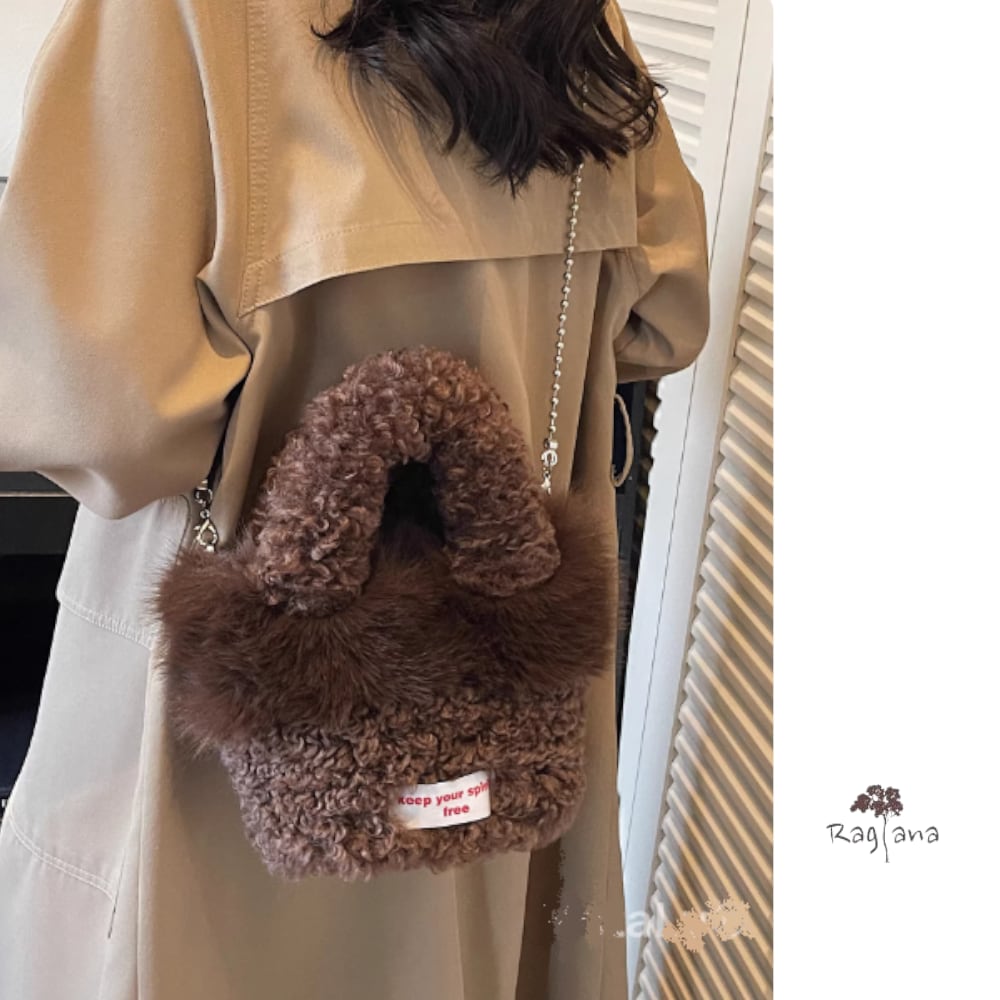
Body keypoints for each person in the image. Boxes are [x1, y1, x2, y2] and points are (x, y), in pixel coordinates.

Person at [0, 0, 710, 996]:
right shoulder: (576, 17)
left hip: (252, 695)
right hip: (504, 671)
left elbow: (106, 418)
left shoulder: (175, 15)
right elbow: (665, 315)